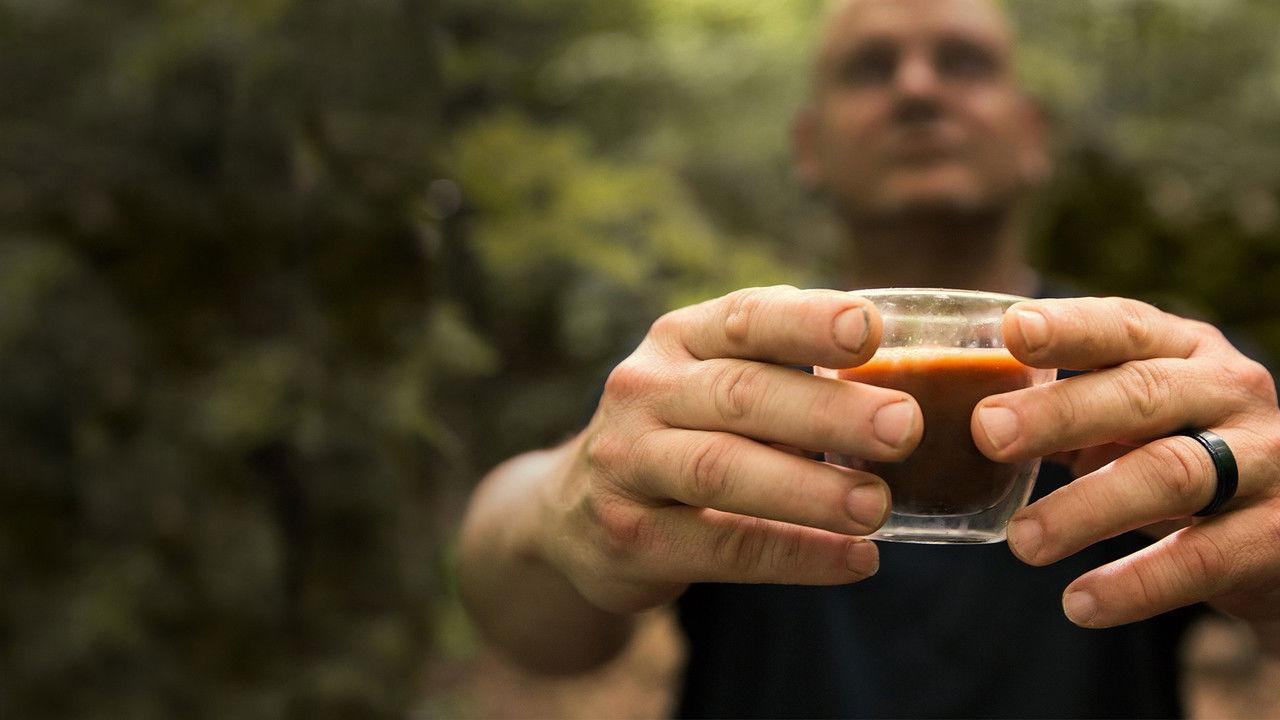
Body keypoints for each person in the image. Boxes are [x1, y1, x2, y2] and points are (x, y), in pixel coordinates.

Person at [458, 0, 1280, 716]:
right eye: (868, 68)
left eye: (964, 62)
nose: (917, 88)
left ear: (1032, 136)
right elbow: (531, 621)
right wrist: (565, 505)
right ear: (809, 146)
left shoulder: (1171, 379)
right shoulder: (720, 367)